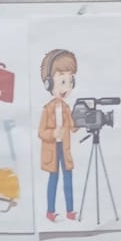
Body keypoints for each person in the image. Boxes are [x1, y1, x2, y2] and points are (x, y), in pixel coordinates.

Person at [37, 48, 77, 223]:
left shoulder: (67, 108)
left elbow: (73, 127)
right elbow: (40, 132)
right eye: (62, 81)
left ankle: (70, 211)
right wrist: (53, 133)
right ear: (49, 83)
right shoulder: (47, 109)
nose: (66, 87)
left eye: (70, 81)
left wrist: (83, 118)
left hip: (64, 149)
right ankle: (50, 211)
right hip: (52, 150)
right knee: (53, 180)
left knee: (68, 180)